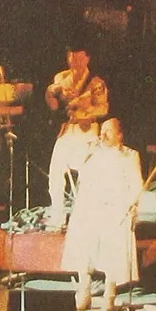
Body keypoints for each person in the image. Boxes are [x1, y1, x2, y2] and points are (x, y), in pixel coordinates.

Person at [62, 118, 143, 311]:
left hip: (115, 209)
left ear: (120, 135)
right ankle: (84, 293)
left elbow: (136, 184)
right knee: (83, 247)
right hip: (90, 208)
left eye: (109, 131)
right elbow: (72, 163)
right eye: (102, 130)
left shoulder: (130, 155)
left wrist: (132, 205)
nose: (103, 134)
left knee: (113, 250)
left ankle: (110, 296)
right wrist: (87, 150)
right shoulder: (92, 152)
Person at [44, 46, 109, 229]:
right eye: (72, 57)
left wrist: (83, 110)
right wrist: (50, 93)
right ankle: (57, 216)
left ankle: (85, 217)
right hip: (67, 131)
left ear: (87, 58)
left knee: (87, 175)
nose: (75, 61)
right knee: (55, 172)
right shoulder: (61, 78)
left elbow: (103, 109)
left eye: (79, 57)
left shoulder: (96, 82)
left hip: (87, 132)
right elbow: (53, 105)